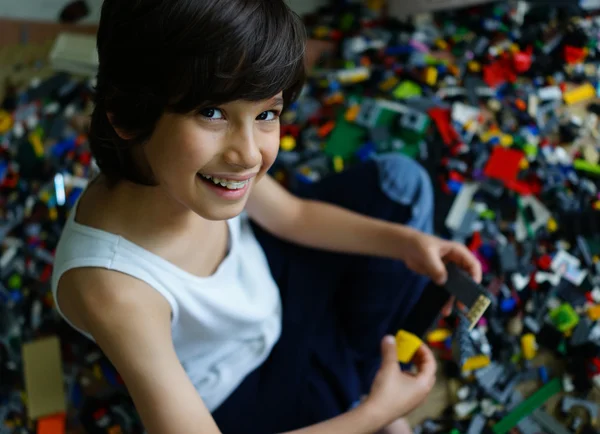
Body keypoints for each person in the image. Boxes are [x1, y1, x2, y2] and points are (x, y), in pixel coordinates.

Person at [50, 1, 483, 433]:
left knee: (402, 184)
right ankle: (360, 390)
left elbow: (293, 217)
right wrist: (374, 415)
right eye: (212, 112)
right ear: (128, 116)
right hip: (247, 387)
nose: (250, 154)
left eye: (266, 114)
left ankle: (356, 380)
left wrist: (408, 244)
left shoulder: (193, 169)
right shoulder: (111, 287)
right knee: (353, 391)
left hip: (270, 285)